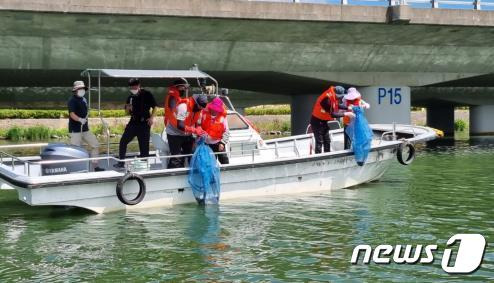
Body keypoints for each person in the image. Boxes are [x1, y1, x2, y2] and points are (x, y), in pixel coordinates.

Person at [115, 78, 157, 168]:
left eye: (134, 86)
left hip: (144, 124)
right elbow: (126, 113)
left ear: (138, 85)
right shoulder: (130, 97)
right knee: (123, 141)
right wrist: (127, 108)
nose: (133, 89)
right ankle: (121, 162)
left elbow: (155, 107)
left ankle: (144, 164)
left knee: (144, 146)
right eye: (131, 87)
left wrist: (152, 118)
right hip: (133, 123)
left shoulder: (147, 94)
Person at [68, 81, 104, 171]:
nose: (82, 90)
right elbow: (72, 114)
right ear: (76, 90)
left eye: (83, 89)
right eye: (80, 89)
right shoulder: (72, 101)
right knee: (76, 150)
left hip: (85, 129)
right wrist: (80, 119)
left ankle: (95, 166)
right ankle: (76, 170)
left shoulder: (84, 99)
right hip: (75, 130)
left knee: (95, 145)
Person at [166, 94, 208, 168]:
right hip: (174, 133)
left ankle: (190, 172)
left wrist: (200, 131)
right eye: (200, 106)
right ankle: (172, 174)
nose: (201, 108)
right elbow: (180, 125)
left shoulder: (199, 110)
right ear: (195, 103)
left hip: (187, 134)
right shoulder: (183, 107)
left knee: (192, 154)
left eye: (202, 107)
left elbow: (197, 123)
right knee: (176, 157)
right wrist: (194, 130)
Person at [310, 85, 354, 154]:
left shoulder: (333, 97)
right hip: (317, 122)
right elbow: (333, 114)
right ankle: (318, 160)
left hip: (323, 121)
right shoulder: (326, 100)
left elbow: (337, 105)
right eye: (341, 96)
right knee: (319, 142)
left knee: (327, 141)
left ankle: (328, 157)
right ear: (337, 95)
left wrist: (348, 108)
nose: (341, 97)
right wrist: (347, 114)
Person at [197, 97, 230, 164]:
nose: (214, 111)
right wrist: (199, 138)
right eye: (213, 109)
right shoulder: (203, 114)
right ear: (211, 107)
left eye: (217, 109)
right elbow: (198, 127)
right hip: (206, 144)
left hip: (218, 143)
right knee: (210, 163)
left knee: (225, 161)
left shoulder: (223, 118)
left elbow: (226, 131)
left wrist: (223, 143)